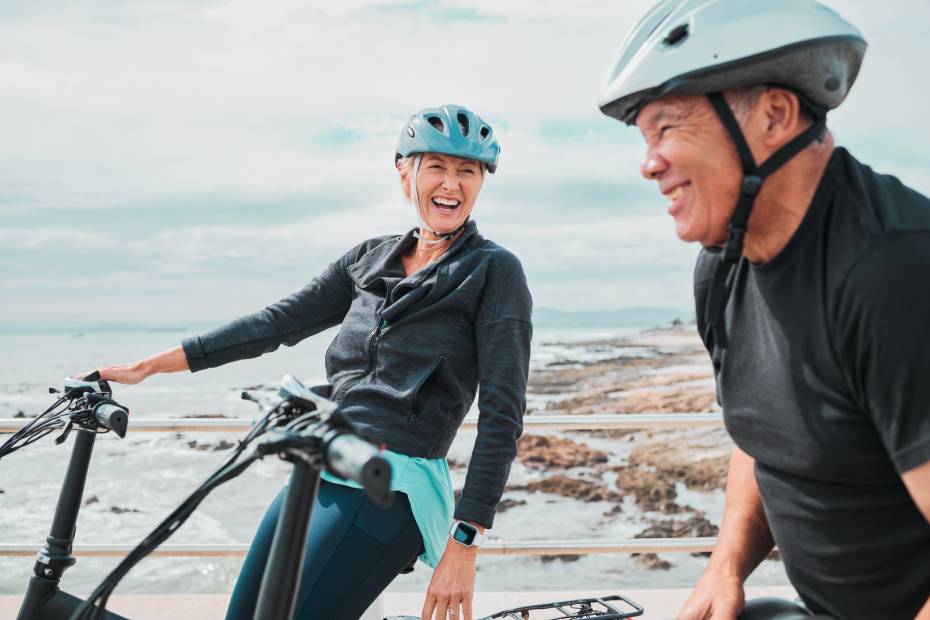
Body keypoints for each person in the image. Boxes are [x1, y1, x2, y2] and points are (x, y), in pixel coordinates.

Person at [94, 104, 533, 620]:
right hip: (321, 467)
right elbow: (275, 323)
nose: (451, 184)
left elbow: (503, 413)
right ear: (403, 171)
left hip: (391, 488)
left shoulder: (493, 271)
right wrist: (149, 367)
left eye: (468, 171)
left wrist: (464, 543)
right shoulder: (369, 258)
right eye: (436, 166)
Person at [598, 1, 930, 619]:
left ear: (775, 116)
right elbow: (763, 436)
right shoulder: (724, 268)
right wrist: (725, 567)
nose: (649, 164)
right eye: (645, 139)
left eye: (668, 128)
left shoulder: (894, 274)